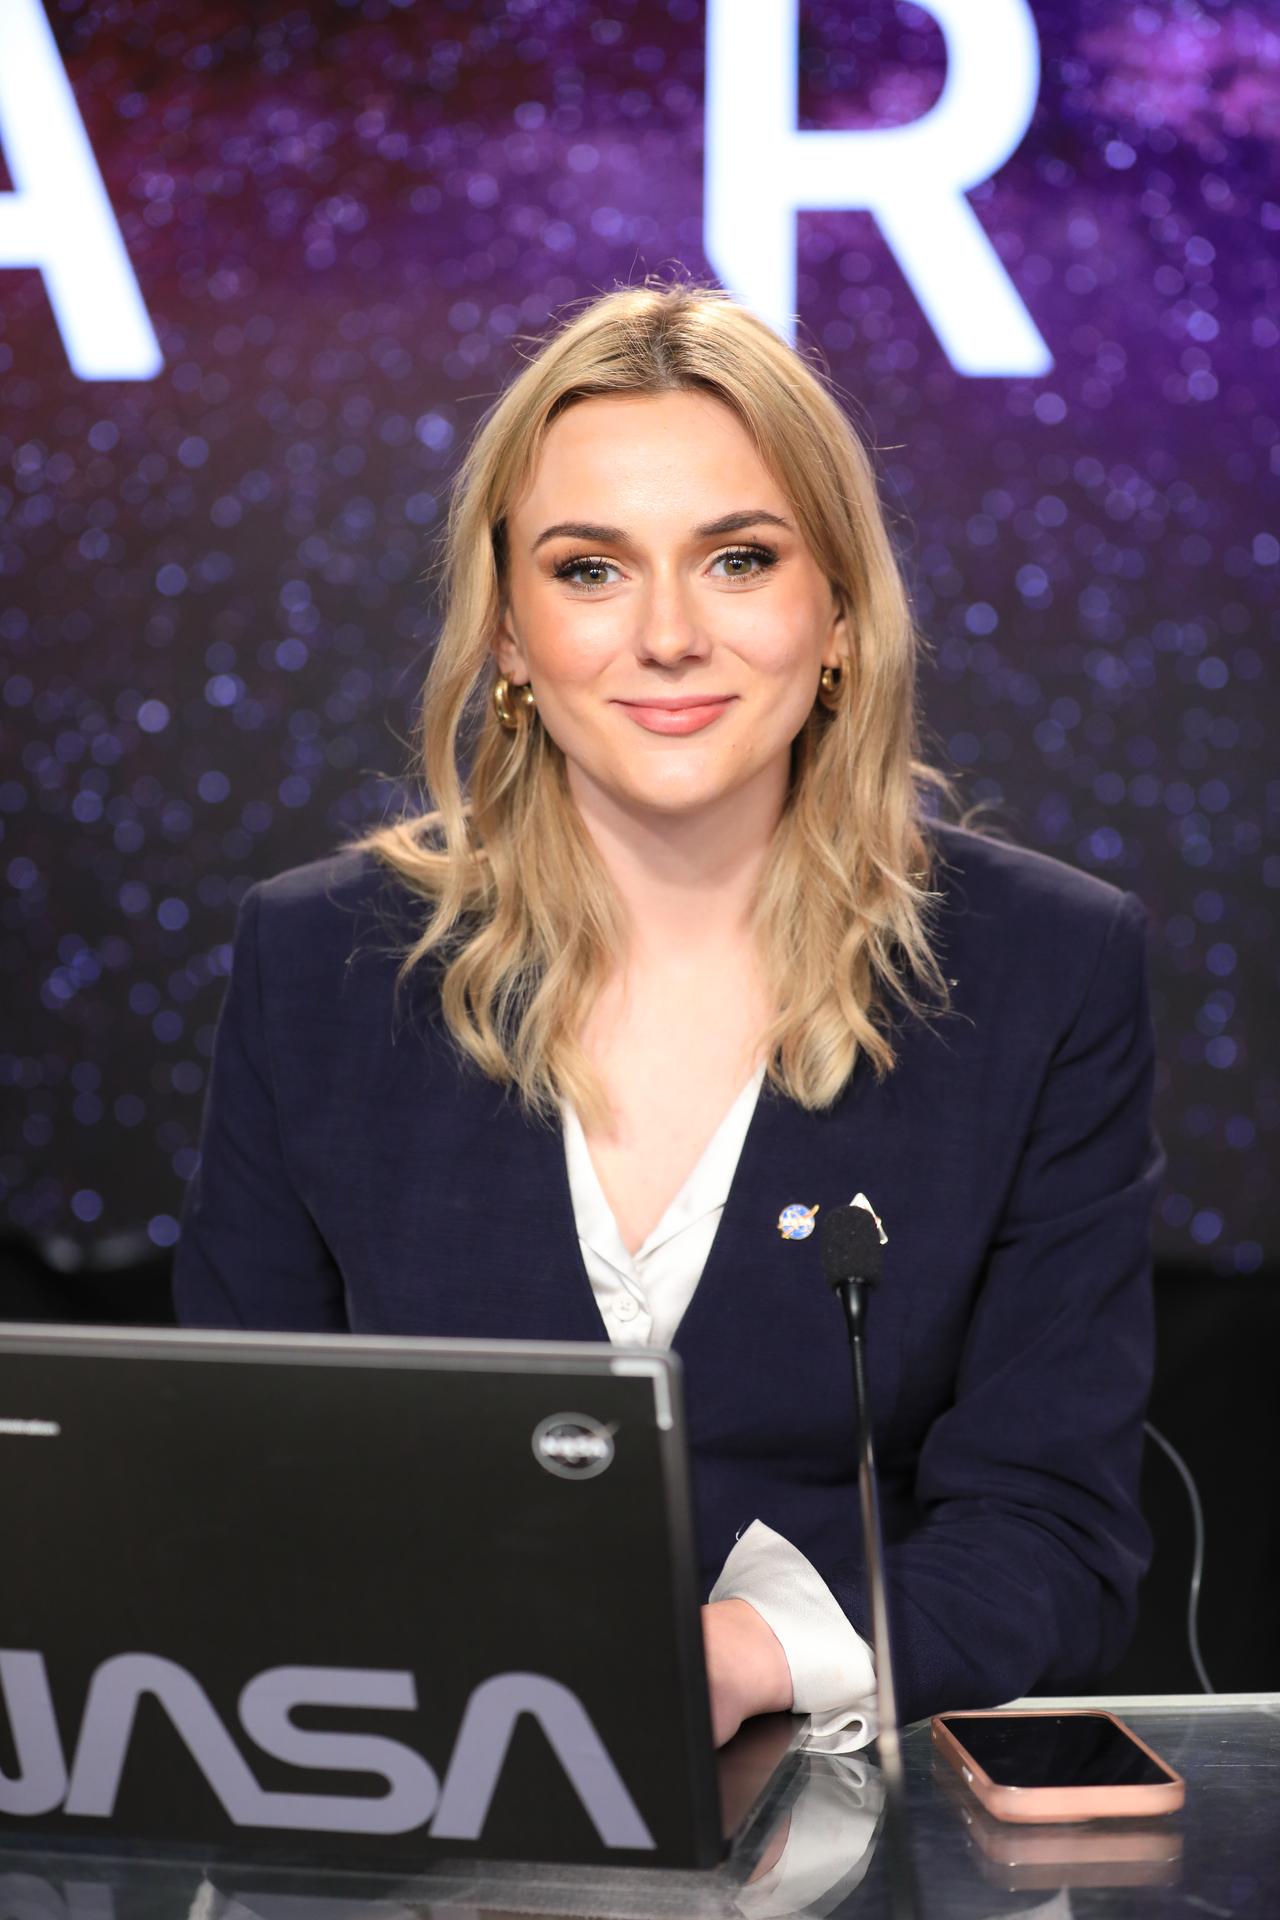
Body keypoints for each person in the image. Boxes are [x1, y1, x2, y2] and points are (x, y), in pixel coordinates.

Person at [172, 276, 1166, 1752]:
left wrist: (730, 1657)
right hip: (414, 1797)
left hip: (852, 1829)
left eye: (738, 559)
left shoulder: (1043, 970)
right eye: (589, 570)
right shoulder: (316, 965)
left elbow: (1052, 1534)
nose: (667, 636)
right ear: (507, 634)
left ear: (836, 610)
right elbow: (229, 1488)